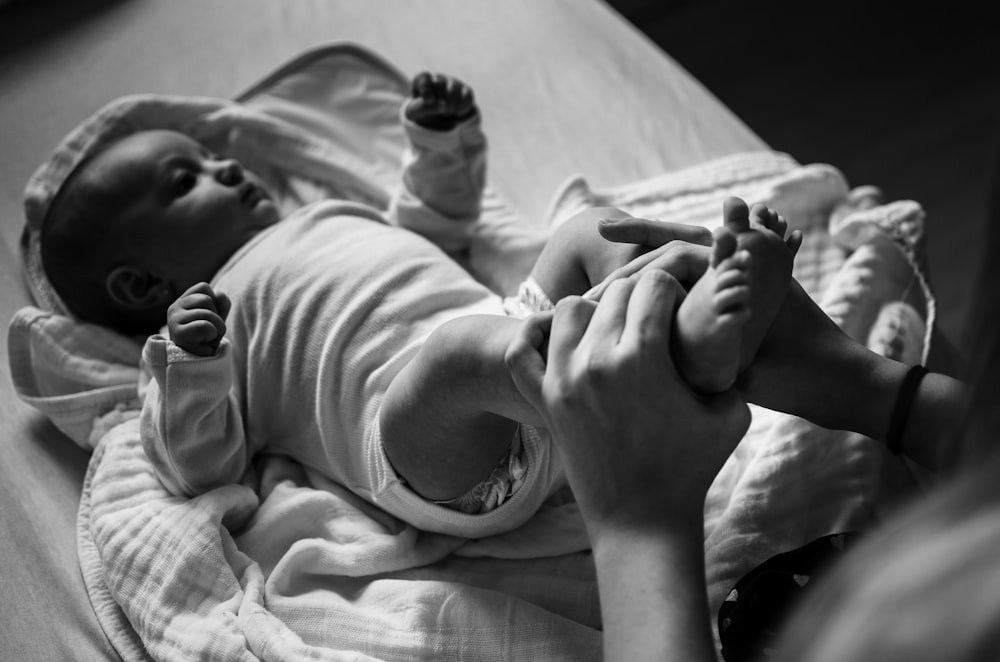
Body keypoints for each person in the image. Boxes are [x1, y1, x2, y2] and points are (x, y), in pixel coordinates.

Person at [37, 70, 800, 538]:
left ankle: (686, 333)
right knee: (454, 360)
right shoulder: (194, 341)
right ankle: (645, 355)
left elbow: (433, 232)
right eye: (187, 180)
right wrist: (192, 365)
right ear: (140, 287)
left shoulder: (323, 216)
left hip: (511, 323)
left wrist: (439, 150)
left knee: (587, 232)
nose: (228, 168)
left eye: (214, 156)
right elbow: (197, 465)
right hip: (429, 444)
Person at [505, 206, 980, 661]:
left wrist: (637, 522)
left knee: (456, 355)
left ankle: (678, 345)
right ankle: (681, 341)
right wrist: (863, 385)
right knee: (598, 241)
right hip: (837, 591)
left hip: (811, 621)